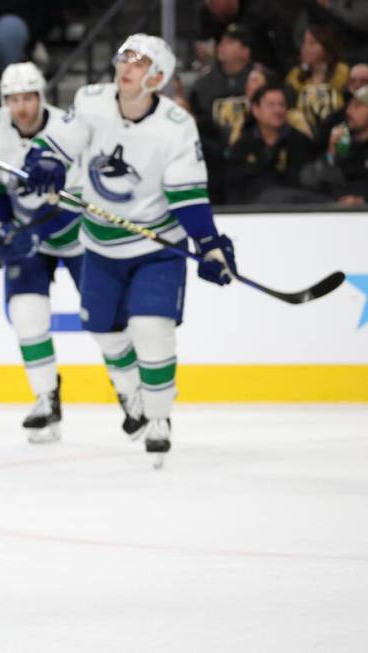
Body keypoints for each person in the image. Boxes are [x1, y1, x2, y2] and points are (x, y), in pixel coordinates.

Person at [23, 34, 237, 466]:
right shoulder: (92, 101)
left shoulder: (176, 126)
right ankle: (131, 396)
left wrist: (210, 243)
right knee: (104, 330)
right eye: (123, 56)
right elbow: (57, 144)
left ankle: (158, 418)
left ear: (157, 77)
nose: (126, 65)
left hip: (157, 245)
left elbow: (188, 197)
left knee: (151, 326)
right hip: (100, 244)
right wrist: (45, 163)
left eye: (138, 61)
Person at [0, 62, 83, 443]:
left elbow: (78, 201)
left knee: (106, 319)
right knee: (26, 314)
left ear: (42, 97)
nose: (22, 107)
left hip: (77, 234)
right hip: (28, 232)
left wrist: (32, 235)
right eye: (14, 99)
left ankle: (134, 394)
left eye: (29, 98)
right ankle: (46, 398)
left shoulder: (68, 130)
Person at [187, 22, 253, 203]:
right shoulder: (203, 85)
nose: (221, 46)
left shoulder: (260, 80)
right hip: (214, 162)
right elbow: (198, 122)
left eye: (231, 42)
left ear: (245, 51)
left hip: (252, 160)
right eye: (222, 42)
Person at [225, 85, 317, 204]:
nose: (278, 110)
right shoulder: (242, 145)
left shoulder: (300, 142)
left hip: (292, 211)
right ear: (255, 110)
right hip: (251, 215)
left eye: (281, 105)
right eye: (271, 105)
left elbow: (306, 185)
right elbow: (233, 186)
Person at [286, 26, 349, 135]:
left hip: (338, 129)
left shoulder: (341, 71)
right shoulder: (295, 75)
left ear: (326, 47)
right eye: (304, 43)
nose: (305, 48)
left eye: (312, 43)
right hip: (304, 133)